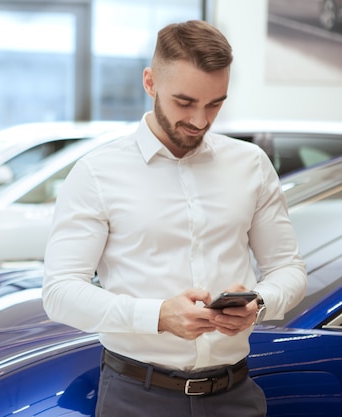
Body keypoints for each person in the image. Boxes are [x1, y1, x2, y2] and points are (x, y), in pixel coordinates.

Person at [42, 19, 307, 417]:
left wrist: (260, 304)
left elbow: (288, 268)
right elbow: (60, 293)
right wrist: (158, 316)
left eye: (215, 103)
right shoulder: (97, 173)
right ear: (150, 83)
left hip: (234, 396)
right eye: (185, 102)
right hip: (136, 397)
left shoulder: (250, 164)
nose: (200, 120)